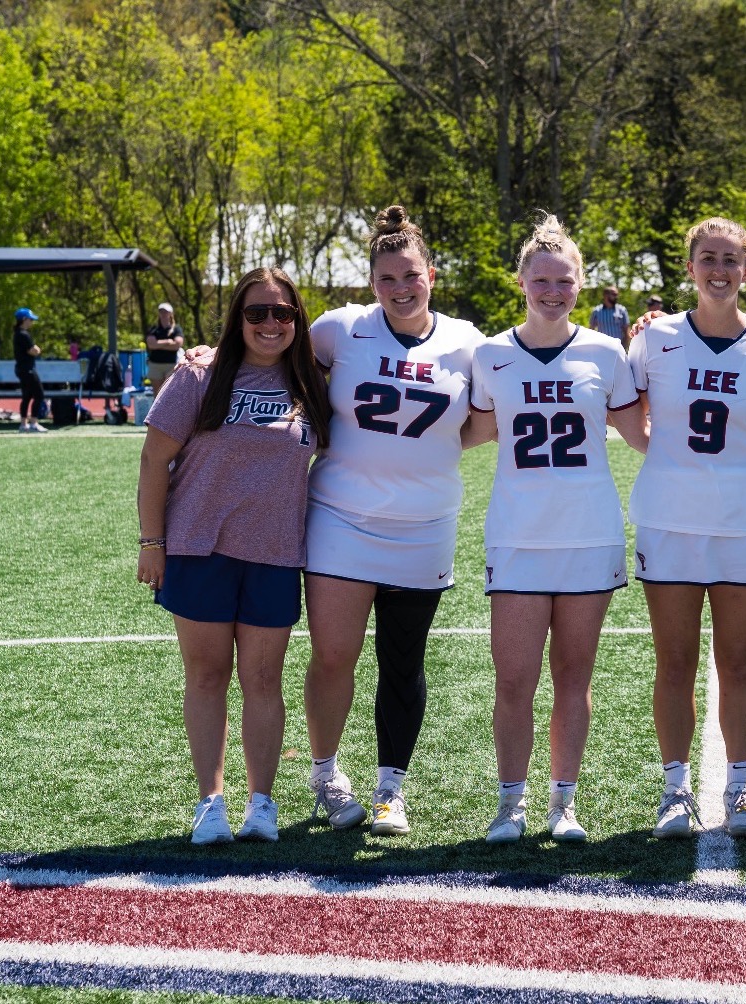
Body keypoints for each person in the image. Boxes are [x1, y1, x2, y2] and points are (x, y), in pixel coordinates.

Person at [297, 206, 486, 835]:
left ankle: (389, 790)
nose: (401, 289)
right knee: (333, 656)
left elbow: (487, 416)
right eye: (387, 280)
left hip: (423, 523)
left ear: (431, 273)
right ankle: (325, 775)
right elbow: (274, 352)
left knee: (403, 662)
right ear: (371, 285)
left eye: (411, 275)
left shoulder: (468, 342)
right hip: (340, 518)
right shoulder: (340, 329)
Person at [465, 217, 650, 843]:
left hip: (589, 532)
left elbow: (642, 434)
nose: (552, 291)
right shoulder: (489, 354)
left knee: (575, 676)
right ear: (520, 281)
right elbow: (466, 431)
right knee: (514, 679)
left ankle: (562, 803)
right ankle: (510, 803)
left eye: (564, 280)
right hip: (517, 536)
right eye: (541, 280)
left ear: (581, 285)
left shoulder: (607, 352)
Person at [136, 267, 332, 845]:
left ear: (297, 320)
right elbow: (153, 461)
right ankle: (210, 803)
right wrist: (153, 542)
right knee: (206, 675)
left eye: (282, 313)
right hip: (199, 548)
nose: (269, 323)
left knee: (264, 679)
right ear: (237, 318)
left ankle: (262, 804)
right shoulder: (199, 374)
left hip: (274, 555)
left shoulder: (313, 381)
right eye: (256, 313)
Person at [628, 217, 746, 839]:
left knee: (739, 661)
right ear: (690, 266)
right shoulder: (655, 338)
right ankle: (676, 790)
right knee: (673, 662)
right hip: (669, 520)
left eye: (731, 260)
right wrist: (668, 460)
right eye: (708, 258)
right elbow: (628, 415)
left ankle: (740, 786)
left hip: (744, 521)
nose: (720, 270)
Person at [13, 308, 46, 434]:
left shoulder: (18, 333)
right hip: (28, 370)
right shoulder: (23, 335)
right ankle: (34, 423)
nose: (32, 322)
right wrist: (37, 349)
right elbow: (34, 351)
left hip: (21, 369)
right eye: (30, 319)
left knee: (26, 396)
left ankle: (23, 424)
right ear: (24, 320)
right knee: (39, 395)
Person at [146, 302, 185, 391]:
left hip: (171, 365)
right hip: (155, 364)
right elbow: (151, 344)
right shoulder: (153, 329)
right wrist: (168, 341)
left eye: (166, 312)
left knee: (169, 392)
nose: (163, 314)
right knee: (157, 393)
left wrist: (158, 345)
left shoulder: (176, 329)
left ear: (170, 313)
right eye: (161, 311)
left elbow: (177, 344)